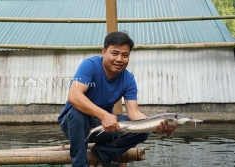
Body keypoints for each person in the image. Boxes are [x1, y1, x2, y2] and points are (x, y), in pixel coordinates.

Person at [58, 31, 176, 167]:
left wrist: (156, 126)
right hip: (74, 126)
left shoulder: (128, 79)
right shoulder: (89, 65)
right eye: (115, 53)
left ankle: (102, 153)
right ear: (104, 52)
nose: (120, 59)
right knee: (77, 113)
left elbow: (134, 113)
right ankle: (80, 164)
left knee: (142, 131)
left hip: (104, 127)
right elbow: (74, 96)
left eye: (125, 55)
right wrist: (103, 115)